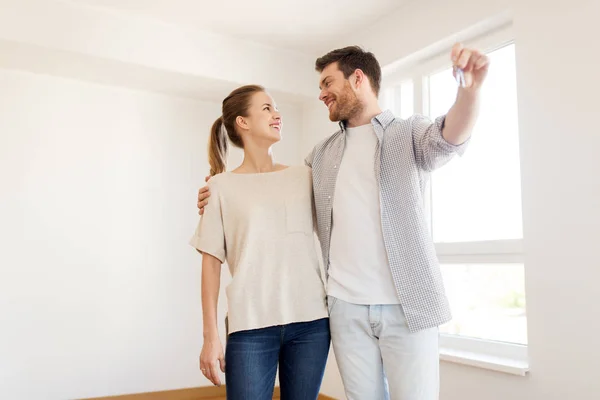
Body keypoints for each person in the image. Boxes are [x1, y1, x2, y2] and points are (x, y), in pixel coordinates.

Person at [197, 44, 489, 400]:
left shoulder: (408, 133)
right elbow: (266, 197)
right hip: (345, 309)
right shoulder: (321, 156)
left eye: (327, 83)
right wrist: (216, 194)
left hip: (407, 306)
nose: (321, 94)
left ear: (358, 78)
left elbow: (450, 136)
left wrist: (470, 90)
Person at [189, 85, 330, 400]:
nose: (277, 114)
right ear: (243, 122)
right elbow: (210, 264)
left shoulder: (304, 176)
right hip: (250, 327)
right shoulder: (220, 187)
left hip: (311, 324)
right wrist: (210, 336)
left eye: (276, 108)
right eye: (267, 108)